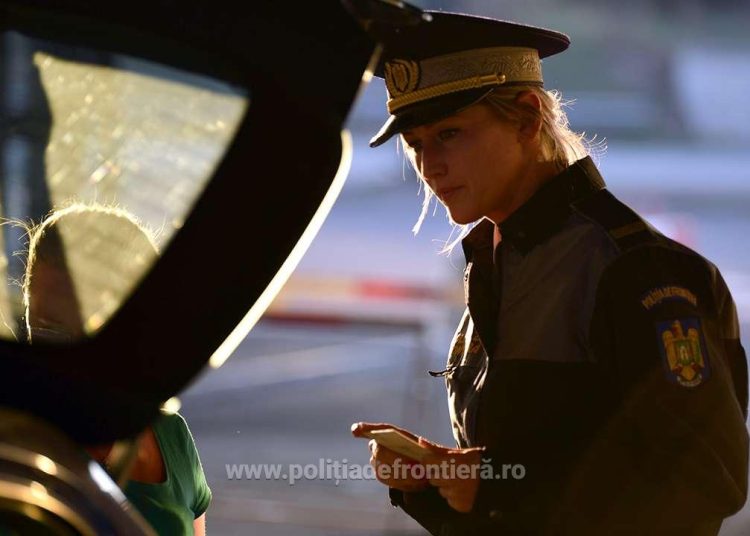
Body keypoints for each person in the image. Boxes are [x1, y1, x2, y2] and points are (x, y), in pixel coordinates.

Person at [352, 11, 748, 535]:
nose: (430, 165)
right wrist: (434, 481)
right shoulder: (497, 258)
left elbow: (708, 479)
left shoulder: (637, 270)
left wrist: (496, 485)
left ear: (527, 117)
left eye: (449, 133)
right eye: (417, 143)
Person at [22, 202, 211, 535]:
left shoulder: (171, 438)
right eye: (44, 330)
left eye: (84, 332)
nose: (63, 356)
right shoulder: (14, 440)